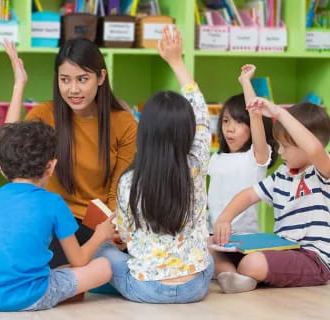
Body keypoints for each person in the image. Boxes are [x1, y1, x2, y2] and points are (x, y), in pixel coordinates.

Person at [95, 26, 213, 304]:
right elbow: (201, 113)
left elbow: (123, 236)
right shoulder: (196, 163)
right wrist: (176, 61)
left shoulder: (129, 181)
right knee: (207, 255)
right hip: (195, 286)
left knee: (101, 252)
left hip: (146, 289)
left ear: (144, 130)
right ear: (187, 131)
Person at [0, 121, 115, 311]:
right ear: (51, 166)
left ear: (1, 168)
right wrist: (100, 235)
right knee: (103, 266)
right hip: (30, 296)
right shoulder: (53, 202)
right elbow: (79, 260)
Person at [3, 38, 137, 266]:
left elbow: (119, 190)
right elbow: (9, 156)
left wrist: (115, 229)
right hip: (50, 219)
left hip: (94, 225)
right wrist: (19, 85)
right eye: (65, 80)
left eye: (82, 79)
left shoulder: (123, 123)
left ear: (101, 77)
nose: (73, 89)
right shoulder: (45, 114)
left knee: (116, 264)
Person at [213, 97, 330, 293]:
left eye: (286, 145)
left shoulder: (323, 172)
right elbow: (248, 195)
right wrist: (225, 218)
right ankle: (235, 277)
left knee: (253, 262)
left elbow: (314, 149)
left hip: (314, 259)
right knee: (211, 247)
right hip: (283, 249)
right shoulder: (281, 175)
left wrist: (280, 113)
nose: (280, 151)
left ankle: (245, 274)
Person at [208, 64, 277, 234]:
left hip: (245, 238)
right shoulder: (216, 158)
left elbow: (255, 115)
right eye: (225, 121)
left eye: (239, 122)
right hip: (213, 235)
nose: (229, 128)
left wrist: (245, 81)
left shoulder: (255, 157)